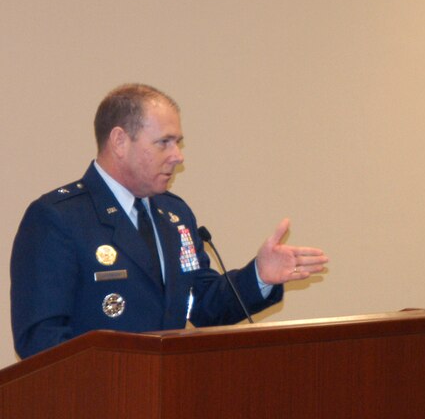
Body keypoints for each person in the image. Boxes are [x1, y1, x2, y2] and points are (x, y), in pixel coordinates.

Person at [11, 83, 328, 359]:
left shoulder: (173, 216)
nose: (178, 155)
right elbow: (41, 340)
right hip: (94, 412)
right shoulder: (59, 217)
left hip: (164, 403)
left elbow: (202, 307)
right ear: (120, 141)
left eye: (178, 142)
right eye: (164, 142)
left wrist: (259, 275)